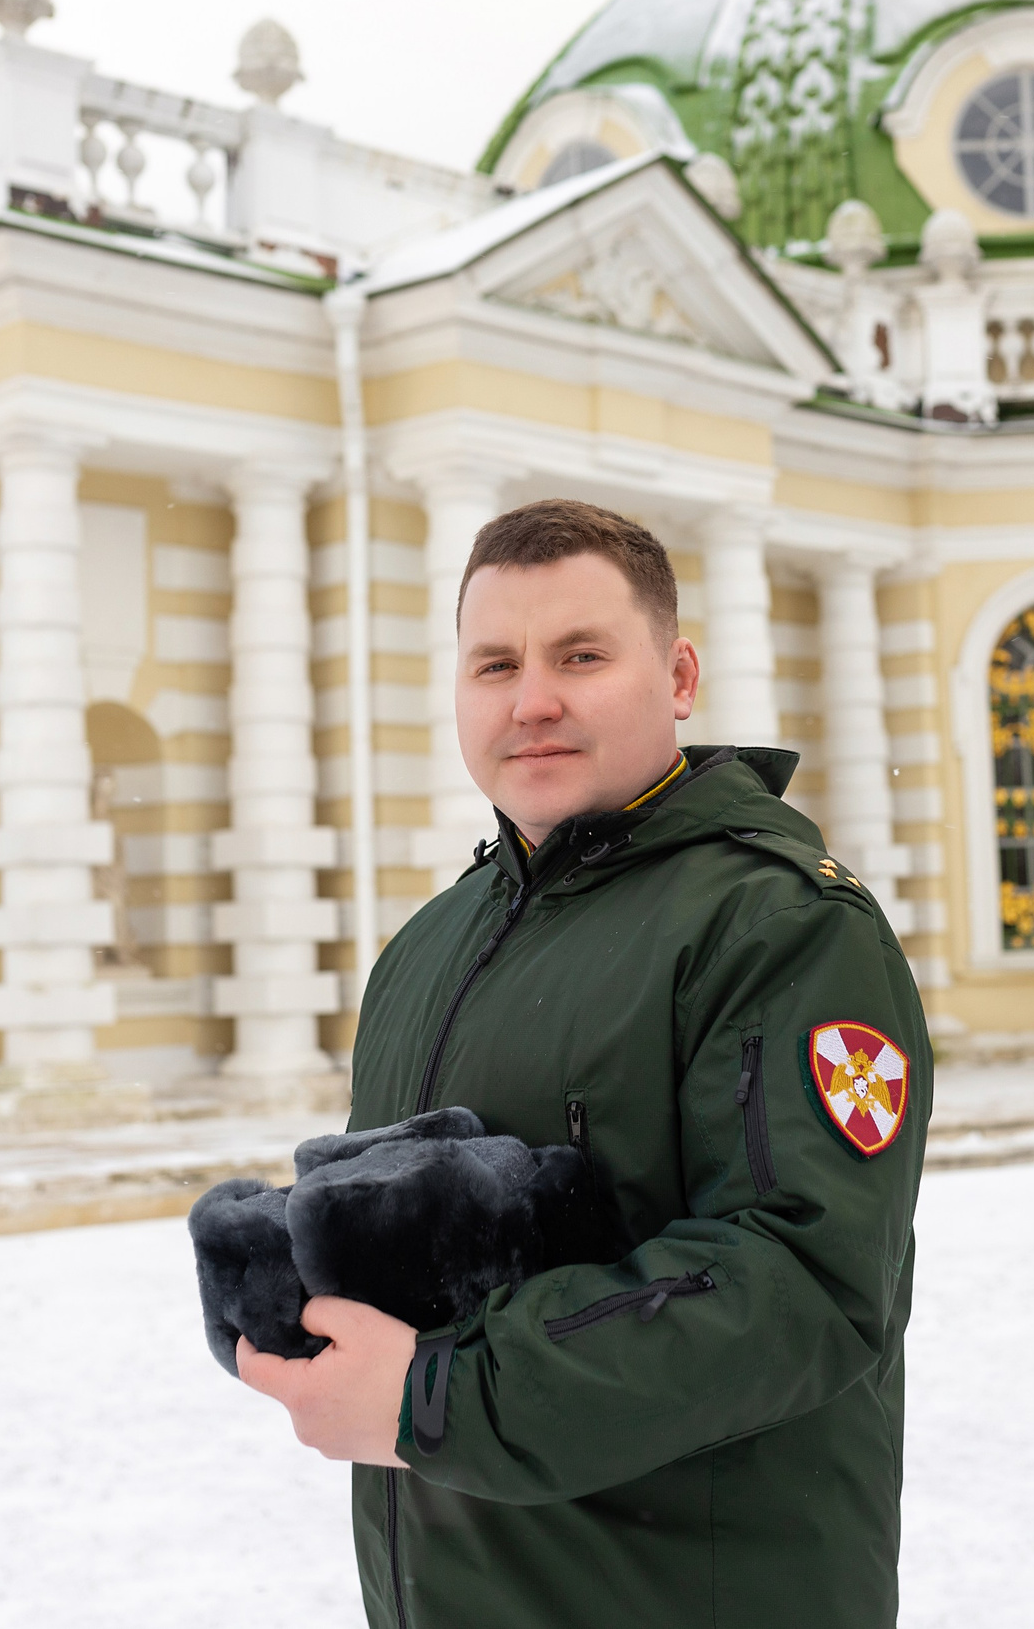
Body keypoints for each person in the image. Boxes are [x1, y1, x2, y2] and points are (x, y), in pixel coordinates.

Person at [236, 499, 928, 1628]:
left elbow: (802, 1286)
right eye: (494, 663)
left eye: (582, 655)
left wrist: (433, 1399)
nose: (533, 699)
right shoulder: (428, 947)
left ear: (679, 675)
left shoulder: (781, 926)